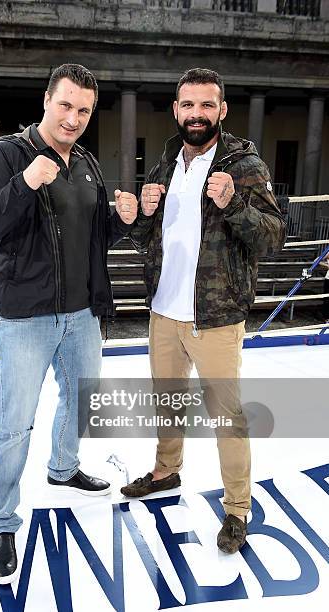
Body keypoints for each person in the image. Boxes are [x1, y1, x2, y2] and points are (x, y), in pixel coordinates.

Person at [0, 63, 137, 584]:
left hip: (81, 312)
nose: (74, 118)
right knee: (13, 423)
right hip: (24, 316)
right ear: (47, 100)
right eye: (65, 105)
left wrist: (124, 220)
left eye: (84, 110)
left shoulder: (86, 162)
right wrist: (24, 183)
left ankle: (62, 469)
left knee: (81, 397)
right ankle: (1, 523)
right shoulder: (7, 155)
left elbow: (91, 241)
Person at [123, 68, 286, 554]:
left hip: (216, 317)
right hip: (164, 313)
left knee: (227, 418)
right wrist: (139, 217)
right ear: (176, 110)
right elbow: (147, 243)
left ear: (222, 110)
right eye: (188, 105)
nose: (197, 114)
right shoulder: (165, 165)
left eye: (206, 105)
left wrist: (234, 203)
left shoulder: (244, 164)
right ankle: (166, 471)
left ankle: (237, 509)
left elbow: (273, 236)